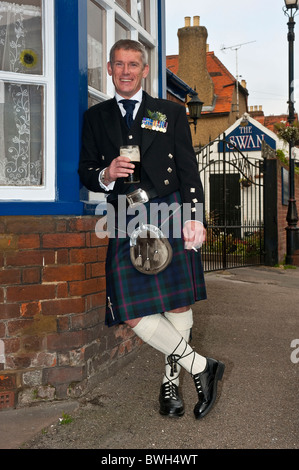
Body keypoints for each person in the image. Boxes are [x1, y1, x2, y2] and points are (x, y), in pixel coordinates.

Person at [79, 39, 225, 420]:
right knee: (129, 309)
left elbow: (189, 170)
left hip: (169, 210)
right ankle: (200, 366)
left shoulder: (170, 112)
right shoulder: (96, 118)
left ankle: (170, 383)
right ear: (109, 69)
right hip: (125, 217)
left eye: (134, 64)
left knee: (176, 303)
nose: (126, 71)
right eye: (119, 64)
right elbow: (85, 170)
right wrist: (105, 174)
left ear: (145, 71)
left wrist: (195, 215)